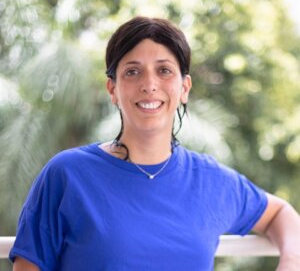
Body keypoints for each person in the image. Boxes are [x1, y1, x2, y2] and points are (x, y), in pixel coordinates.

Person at [10, 16, 300, 271]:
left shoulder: (209, 180)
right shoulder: (67, 174)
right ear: (113, 89)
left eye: (164, 70)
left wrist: (291, 262)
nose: (149, 84)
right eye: (133, 71)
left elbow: (279, 213)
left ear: (184, 88)